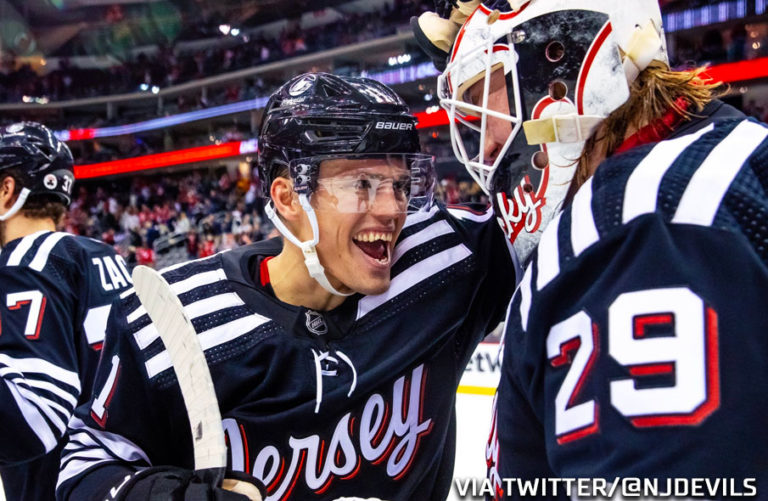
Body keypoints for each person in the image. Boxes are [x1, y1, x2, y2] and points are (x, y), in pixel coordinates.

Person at [56, 73, 517, 500]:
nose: (392, 209)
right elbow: (83, 467)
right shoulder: (175, 316)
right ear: (288, 196)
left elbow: (560, 208)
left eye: (399, 185)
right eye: (363, 184)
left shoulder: (449, 258)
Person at [428, 0, 768, 497]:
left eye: (484, 96)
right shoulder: (715, 161)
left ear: (560, 58)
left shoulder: (638, 217)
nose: (484, 149)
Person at [0, 122, 134, 500]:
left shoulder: (26, 262)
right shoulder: (104, 254)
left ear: (7, 189)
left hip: (58, 484)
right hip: (120, 477)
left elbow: (35, 418)